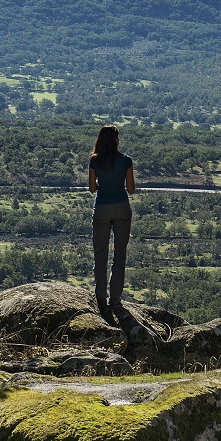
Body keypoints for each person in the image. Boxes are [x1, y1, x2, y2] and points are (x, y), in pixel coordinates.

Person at [88, 124, 135, 321]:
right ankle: (115, 299)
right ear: (116, 140)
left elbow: (92, 188)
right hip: (122, 208)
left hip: (102, 209)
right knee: (119, 255)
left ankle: (101, 299)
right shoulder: (126, 160)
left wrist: (103, 183)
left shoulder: (94, 161)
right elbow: (131, 189)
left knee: (100, 255)